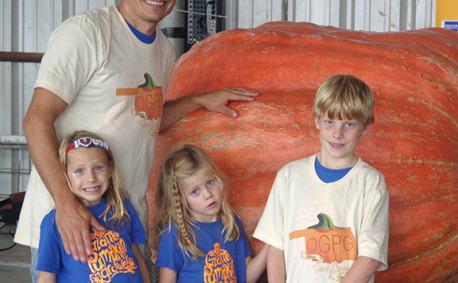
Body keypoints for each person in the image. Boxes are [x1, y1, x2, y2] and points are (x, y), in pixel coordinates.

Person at [14, 1, 258, 282]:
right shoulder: (86, 33)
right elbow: (36, 119)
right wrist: (67, 206)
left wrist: (199, 100)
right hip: (71, 224)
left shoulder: (164, 51)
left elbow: (145, 118)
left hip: (124, 223)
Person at [253, 74, 389, 283]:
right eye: (330, 121)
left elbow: (370, 256)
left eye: (349, 125)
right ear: (316, 120)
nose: (337, 133)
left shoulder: (371, 183)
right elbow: (276, 245)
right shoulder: (289, 176)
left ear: (366, 125)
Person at [37, 130, 150, 283]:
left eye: (98, 168)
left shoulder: (122, 208)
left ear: (110, 169)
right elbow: (46, 276)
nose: (91, 178)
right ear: (65, 175)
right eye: (79, 171)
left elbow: (136, 256)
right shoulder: (54, 222)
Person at [155, 145, 268, 283]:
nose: (208, 194)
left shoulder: (231, 224)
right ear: (180, 199)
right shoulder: (174, 235)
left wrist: (273, 242)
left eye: (210, 182)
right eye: (195, 191)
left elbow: (247, 277)